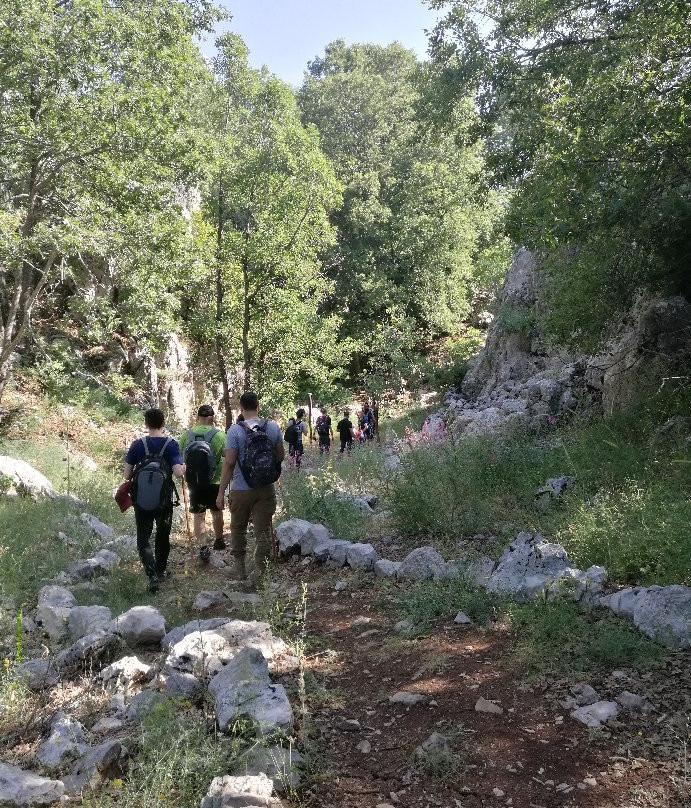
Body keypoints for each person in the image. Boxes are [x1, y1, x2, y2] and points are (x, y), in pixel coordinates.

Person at [215, 391, 284, 582]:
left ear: (241, 409)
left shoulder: (235, 431)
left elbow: (229, 463)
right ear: (258, 406)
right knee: (263, 530)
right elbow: (281, 456)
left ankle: (240, 570)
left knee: (238, 528)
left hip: (241, 488)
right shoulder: (272, 427)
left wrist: (221, 492)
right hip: (265, 488)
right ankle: (262, 573)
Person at [123, 408, 184, 593]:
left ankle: (151, 575)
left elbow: (127, 475)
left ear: (146, 424)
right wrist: (184, 466)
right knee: (162, 534)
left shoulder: (137, 445)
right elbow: (178, 472)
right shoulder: (171, 444)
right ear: (163, 423)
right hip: (164, 499)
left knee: (143, 537)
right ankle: (160, 570)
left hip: (140, 499)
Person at [178, 405, 227, 551]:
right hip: (214, 480)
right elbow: (227, 456)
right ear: (213, 417)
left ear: (198, 417)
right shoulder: (220, 435)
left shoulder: (186, 435)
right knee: (216, 511)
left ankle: (203, 547)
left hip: (195, 481)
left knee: (199, 515)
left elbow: (181, 457)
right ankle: (219, 541)